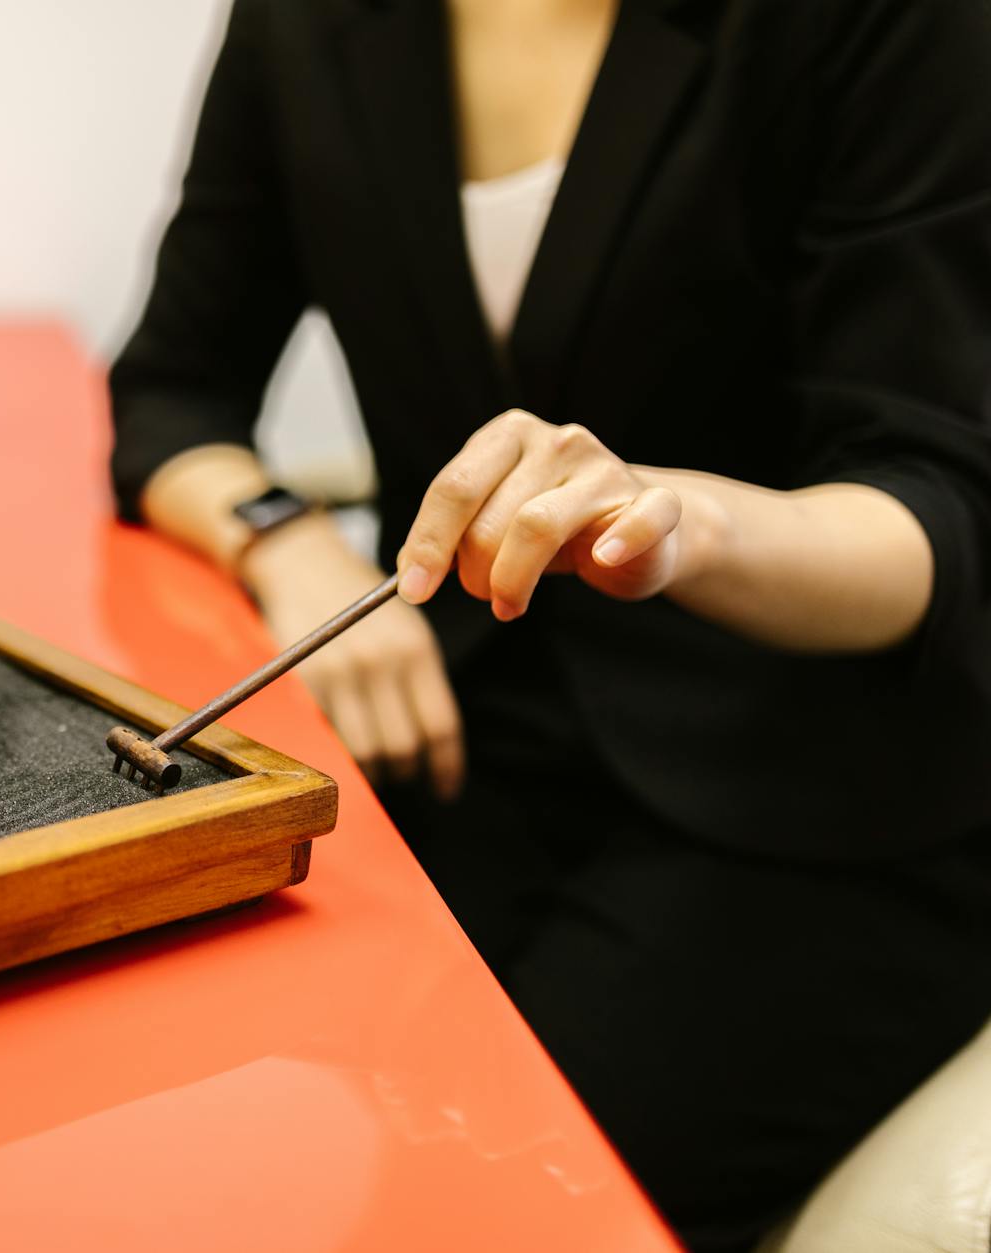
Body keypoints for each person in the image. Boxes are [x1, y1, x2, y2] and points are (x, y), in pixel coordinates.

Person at [108, 0, 991, 1248]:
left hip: (806, 794)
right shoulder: (304, 24)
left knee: (475, 1204)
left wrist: (679, 525)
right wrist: (282, 537)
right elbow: (169, 387)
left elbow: (940, 515)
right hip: (454, 745)